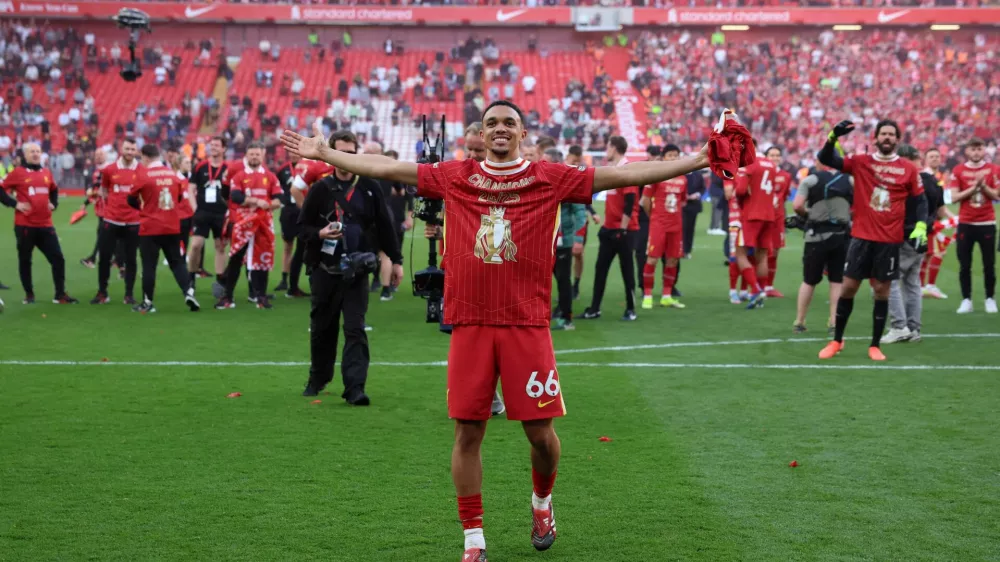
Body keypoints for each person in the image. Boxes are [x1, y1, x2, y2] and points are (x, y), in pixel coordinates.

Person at [280, 100, 710, 562]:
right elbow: (387, 167)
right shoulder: (455, 175)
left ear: (523, 133)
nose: (500, 130)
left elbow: (624, 175)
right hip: (471, 323)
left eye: (509, 123)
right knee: (468, 433)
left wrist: (700, 158)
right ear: (481, 135)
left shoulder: (550, 176)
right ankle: (473, 539)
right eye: (492, 124)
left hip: (527, 324)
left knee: (540, 435)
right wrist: (328, 155)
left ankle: (542, 503)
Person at [298, 130, 404, 404]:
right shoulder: (320, 189)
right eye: (340, 151)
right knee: (323, 327)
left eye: (350, 152)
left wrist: (397, 261)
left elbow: (385, 225)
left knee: (355, 328)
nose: (345, 157)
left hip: (358, 269)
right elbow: (303, 227)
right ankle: (318, 378)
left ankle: (355, 388)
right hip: (325, 268)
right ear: (330, 154)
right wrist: (319, 234)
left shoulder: (370, 187)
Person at [816, 119, 927, 361]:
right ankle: (837, 341)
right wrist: (833, 136)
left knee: (881, 291)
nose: (887, 137)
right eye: (883, 134)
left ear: (897, 140)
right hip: (861, 237)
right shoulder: (861, 162)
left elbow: (920, 201)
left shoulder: (908, 169)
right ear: (875, 138)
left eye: (891, 134)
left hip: (889, 241)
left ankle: (875, 345)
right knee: (849, 287)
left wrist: (920, 226)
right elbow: (826, 158)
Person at [127, 144, 201, 313]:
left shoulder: (143, 175)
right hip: (172, 226)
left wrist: (143, 208)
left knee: (149, 265)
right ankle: (188, 292)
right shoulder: (173, 175)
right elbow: (181, 197)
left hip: (150, 227)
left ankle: (148, 302)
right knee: (177, 262)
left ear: (145, 157)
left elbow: (130, 199)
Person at [0, 143, 78, 304]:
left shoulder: (46, 173)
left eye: (37, 151)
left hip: (45, 225)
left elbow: (54, 190)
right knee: (25, 260)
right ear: (25, 155)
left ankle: (60, 294)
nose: (35, 154)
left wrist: (54, 204)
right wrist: (15, 204)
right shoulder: (18, 173)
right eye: (32, 152)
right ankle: (29, 294)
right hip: (25, 225)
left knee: (58, 258)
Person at [884, 145, 946, 342]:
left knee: (889, 280)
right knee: (912, 283)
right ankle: (914, 328)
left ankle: (899, 326)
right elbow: (938, 209)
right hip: (922, 237)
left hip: (905, 235)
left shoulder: (909, 180)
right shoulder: (933, 182)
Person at [215, 142, 283, 310]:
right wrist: (256, 201)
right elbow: (236, 196)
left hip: (263, 224)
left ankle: (261, 297)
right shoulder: (239, 176)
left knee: (263, 259)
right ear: (246, 156)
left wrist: (267, 204)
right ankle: (228, 297)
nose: (254, 157)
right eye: (251, 154)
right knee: (236, 259)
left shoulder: (270, 176)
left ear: (262, 156)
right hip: (243, 223)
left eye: (257, 154)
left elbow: (279, 198)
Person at [791, 164, 853, 334]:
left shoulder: (811, 180)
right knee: (836, 281)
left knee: (809, 280)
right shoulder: (850, 180)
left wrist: (808, 214)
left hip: (816, 235)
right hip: (840, 235)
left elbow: (797, 205)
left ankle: (800, 321)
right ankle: (834, 322)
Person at [582, 136, 639, 321]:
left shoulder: (626, 170)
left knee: (627, 270)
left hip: (623, 231)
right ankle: (595, 308)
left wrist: (622, 229)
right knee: (600, 270)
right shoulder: (614, 170)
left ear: (614, 148)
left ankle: (631, 309)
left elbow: (630, 202)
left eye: (608, 147)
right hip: (608, 229)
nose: (606, 150)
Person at [949, 137, 998, 314]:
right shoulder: (958, 170)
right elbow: (954, 197)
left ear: (984, 150)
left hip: (986, 222)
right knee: (964, 264)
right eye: (973, 149)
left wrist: (983, 185)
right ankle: (966, 299)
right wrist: (974, 187)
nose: (976, 152)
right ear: (967, 151)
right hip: (966, 223)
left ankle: (990, 298)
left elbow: (997, 195)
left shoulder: (993, 170)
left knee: (989, 263)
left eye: (979, 149)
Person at [93, 138, 142, 305]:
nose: (129, 152)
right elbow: (104, 191)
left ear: (136, 151)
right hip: (111, 219)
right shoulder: (109, 170)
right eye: (127, 149)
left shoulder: (141, 170)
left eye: (132, 149)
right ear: (122, 149)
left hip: (133, 221)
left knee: (131, 259)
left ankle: (128, 294)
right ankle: (102, 292)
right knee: (105, 257)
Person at [639, 143, 687, 309]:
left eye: (676, 155)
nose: (673, 158)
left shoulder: (683, 178)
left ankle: (666, 295)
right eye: (670, 155)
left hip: (676, 226)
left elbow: (683, 201)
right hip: (658, 224)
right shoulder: (656, 176)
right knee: (652, 258)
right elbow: (644, 201)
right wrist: (654, 217)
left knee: (672, 260)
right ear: (664, 157)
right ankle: (647, 295)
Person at [543, 148, 587, 330]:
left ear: (555, 162)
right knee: (549, 279)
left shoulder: (567, 182)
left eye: (545, 161)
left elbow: (580, 213)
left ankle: (567, 318)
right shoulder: (543, 180)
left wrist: (578, 240)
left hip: (563, 241)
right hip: (547, 241)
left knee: (563, 279)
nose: (541, 164)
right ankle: (558, 310)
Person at [733, 153, 778, 308]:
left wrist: (740, 200)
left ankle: (755, 290)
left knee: (740, 253)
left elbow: (740, 190)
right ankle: (762, 292)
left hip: (752, 214)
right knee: (762, 255)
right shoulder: (771, 165)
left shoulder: (749, 163)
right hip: (769, 214)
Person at [188, 137, 231, 288]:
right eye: (211, 145)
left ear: (223, 149)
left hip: (222, 214)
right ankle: (191, 277)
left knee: (220, 246)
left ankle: (220, 281)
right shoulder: (200, 167)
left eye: (217, 145)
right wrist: (195, 209)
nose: (213, 148)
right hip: (203, 212)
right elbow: (191, 188)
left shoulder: (228, 168)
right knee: (196, 245)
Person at [375, 149, 413, 302]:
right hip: (386, 216)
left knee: (385, 253)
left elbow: (408, 197)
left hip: (388, 218)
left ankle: (387, 284)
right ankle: (383, 286)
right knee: (385, 253)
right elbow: (403, 192)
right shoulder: (392, 175)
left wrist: (409, 217)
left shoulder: (371, 174)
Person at [566, 145, 600, 300]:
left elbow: (582, 196)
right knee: (564, 255)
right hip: (563, 221)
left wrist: (592, 213)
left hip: (579, 221)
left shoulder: (581, 170)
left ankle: (575, 285)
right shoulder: (562, 169)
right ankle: (566, 285)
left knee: (577, 254)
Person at [273, 150, 309, 298]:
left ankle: (295, 282)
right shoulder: (282, 170)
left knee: (303, 247)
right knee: (288, 246)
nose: (294, 156)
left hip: (303, 211)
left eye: (297, 153)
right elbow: (275, 187)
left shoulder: (307, 168)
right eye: (292, 154)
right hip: (288, 212)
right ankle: (284, 279)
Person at [920, 148, 952, 299]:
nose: (934, 159)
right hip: (925, 222)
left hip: (932, 221)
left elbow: (941, 207)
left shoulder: (936, 178)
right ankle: (924, 286)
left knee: (929, 254)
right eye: (931, 156)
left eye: (937, 156)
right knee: (931, 253)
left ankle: (923, 286)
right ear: (925, 159)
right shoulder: (924, 177)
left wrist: (954, 218)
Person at [764, 146, 793, 298]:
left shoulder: (786, 176)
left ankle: (769, 286)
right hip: (762, 218)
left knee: (775, 252)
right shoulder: (760, 173)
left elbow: (785, 196)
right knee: (761, 252)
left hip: (778, 219)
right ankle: (757, 285)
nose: (775, 158)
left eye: (777, 155)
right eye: (771, 155)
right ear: (766, 157)